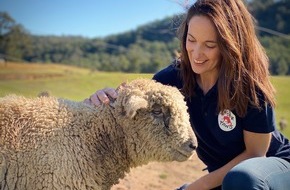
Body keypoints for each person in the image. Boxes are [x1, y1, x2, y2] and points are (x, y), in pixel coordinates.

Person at [84, 0, 290, 189]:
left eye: (210, 45)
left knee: (242, 179)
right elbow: (135, 95)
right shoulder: (175, 77)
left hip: (266, 171)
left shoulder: (250, 88)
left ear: (231, 45)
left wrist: (193, 188)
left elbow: (255, 155)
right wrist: (103, 97)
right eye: (191, 40)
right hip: (223, 177)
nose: (197, 54)